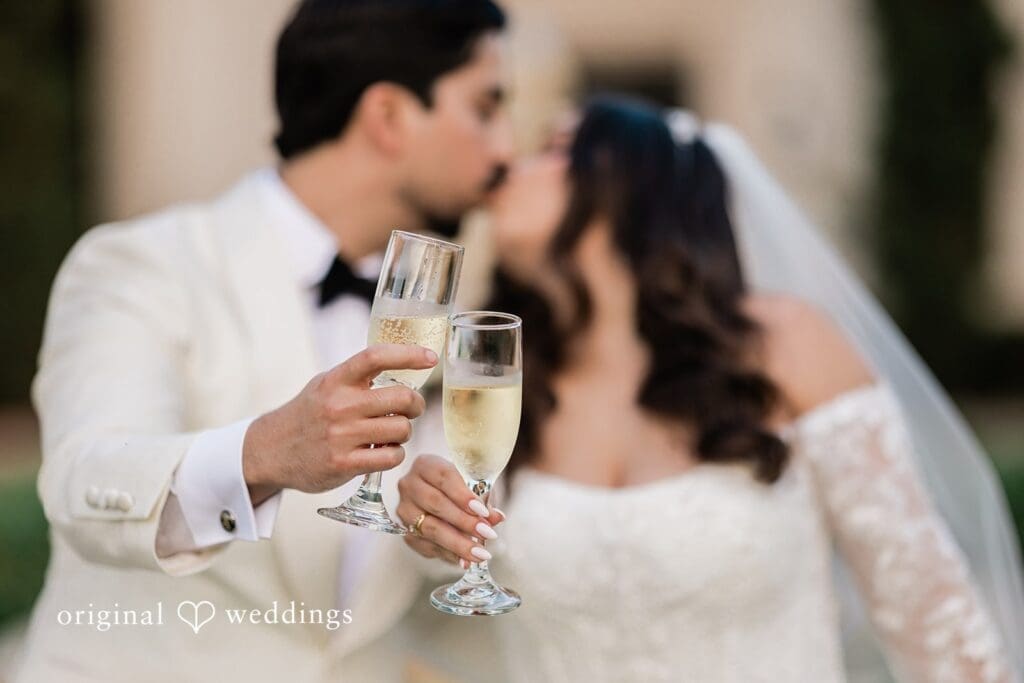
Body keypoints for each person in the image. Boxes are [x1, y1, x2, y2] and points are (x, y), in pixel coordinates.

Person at [396, 97, 1024, 681]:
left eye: (555, 149)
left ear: (633, 190)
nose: (510, 165)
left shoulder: (784, 348)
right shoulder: (499, 387)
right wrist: (426, 521)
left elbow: (932, 618)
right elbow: (427, 562)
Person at [16, 1, 510, 681]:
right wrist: (264, 452)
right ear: (390, 116)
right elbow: (83, 484)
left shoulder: (447, 309)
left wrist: (433, 527)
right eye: (485, 107)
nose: (505, 148)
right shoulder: (140, 263)